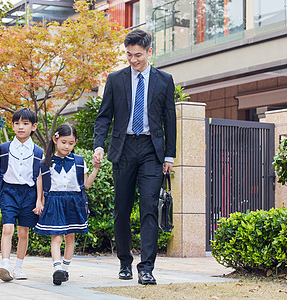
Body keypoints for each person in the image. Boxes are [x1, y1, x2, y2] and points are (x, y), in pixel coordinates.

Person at [93, 29, 176, 285]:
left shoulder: (164, 80)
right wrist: (99, 145)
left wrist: (169, 156)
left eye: (138, 55)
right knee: (122, 209)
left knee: (149, 208)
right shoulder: (115, 79)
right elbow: (104, 115)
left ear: (149, 52)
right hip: (124, 149)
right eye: (128, 54)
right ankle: (125, 262)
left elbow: (169, 120)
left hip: (152, 151)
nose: (132, 60)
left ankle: (147, 267)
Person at [33, 124, 101, 285]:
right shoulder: (45, 162)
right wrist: (39, 201)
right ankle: (57, 269)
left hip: (74, 201)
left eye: (71, 143)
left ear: (75, 142)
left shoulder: (78, 161)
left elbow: (86, 184)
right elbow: (40, 181)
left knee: (70, 236)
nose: (67, 146)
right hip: (54, 200)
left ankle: (65, 269)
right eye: (64, 142)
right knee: (56, 236)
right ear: (56, 140)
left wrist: (95, 169)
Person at [0, 107, 43, 282]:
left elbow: (39, 178)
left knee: (23, 232)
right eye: (17, 123)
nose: (21, 127)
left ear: (33, 127)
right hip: (9, 192)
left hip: (29, 193)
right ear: (12, 126)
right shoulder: (4, 148)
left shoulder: (38, 152)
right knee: (8, 228)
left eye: (25, 123)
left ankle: (18, 267)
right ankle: (4, 264)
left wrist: (39, 200)